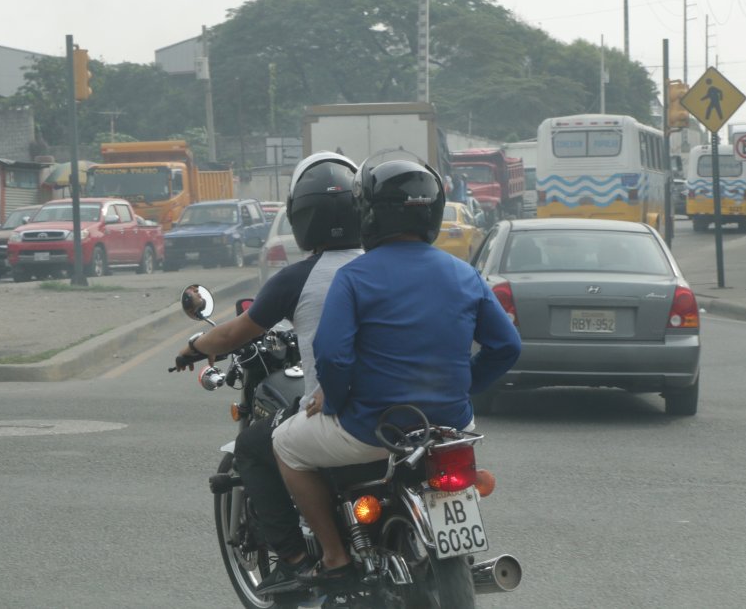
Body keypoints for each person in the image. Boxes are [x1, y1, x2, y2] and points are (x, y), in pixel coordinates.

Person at [272, 156, 522, 588]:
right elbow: (507, 346)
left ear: (367, 214)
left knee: (283, 446)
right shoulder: (464, 274)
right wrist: (466, 386)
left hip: (372, 431)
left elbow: (332, 356)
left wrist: (335, 398)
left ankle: (334, 557)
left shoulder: (354, 277)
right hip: (450, 428)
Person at [176, 152, 363, 590]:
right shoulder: (384, 265)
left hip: (344, 414)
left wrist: (192, 348)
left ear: (301, 216)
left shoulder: (298, 278)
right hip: (417, 411)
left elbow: (231, 335)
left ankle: (300, 560)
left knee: (258, 446)